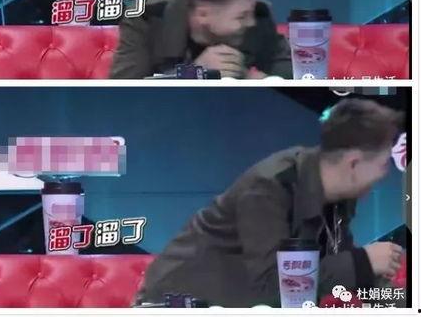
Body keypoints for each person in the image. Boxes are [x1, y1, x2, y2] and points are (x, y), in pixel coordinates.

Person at [135, 98, 404, 307]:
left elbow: (339, 267)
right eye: (383, 164)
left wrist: (403, 302)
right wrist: (362, 262)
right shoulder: (268, 187)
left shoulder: (338, 195)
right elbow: (271, 286)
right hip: (180, 300)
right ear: (353, 164)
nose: (385, 173)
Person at [110, 0, 292, 79]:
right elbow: (123, 88)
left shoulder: (258, 15)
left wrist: (247, 76)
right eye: (241, 16)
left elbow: (292, 76)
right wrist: (194, 72)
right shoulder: (146, 16)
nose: (251, 22)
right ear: (203, 15)